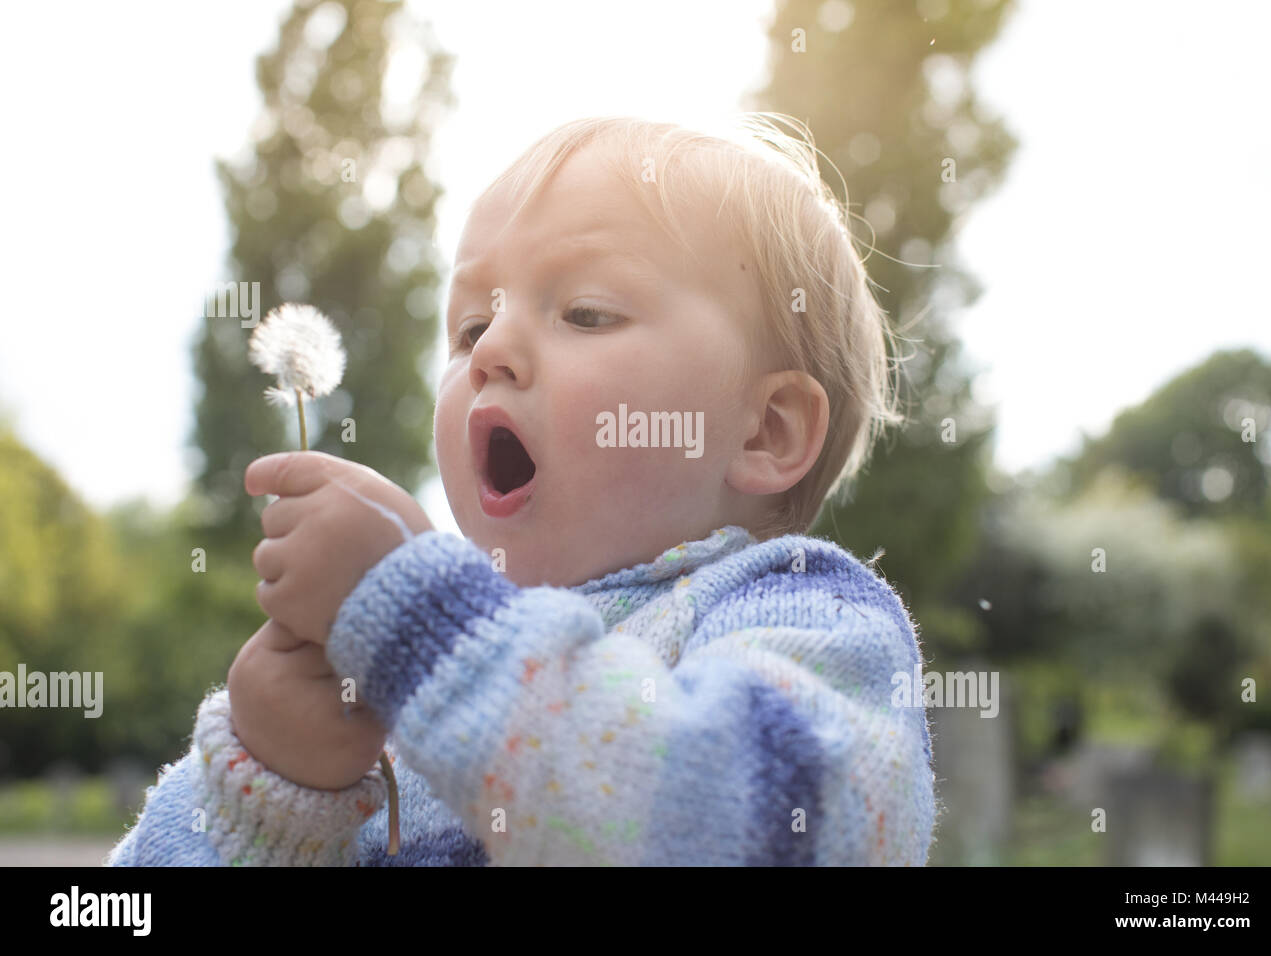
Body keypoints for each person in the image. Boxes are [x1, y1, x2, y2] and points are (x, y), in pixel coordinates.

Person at [107, 113, 936, 866]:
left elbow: (757, 833)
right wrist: (269, 795)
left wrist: (422, 623)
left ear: (766, 431)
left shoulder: (805, 617)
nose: (491, 348)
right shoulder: (387, 692)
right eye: (469, 327)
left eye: (584, 312)